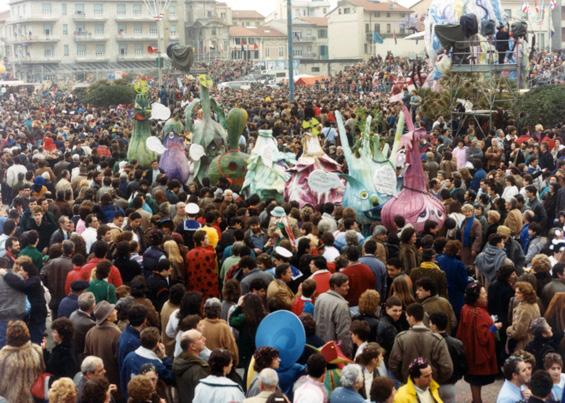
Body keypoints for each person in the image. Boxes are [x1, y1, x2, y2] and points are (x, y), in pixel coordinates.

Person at [388, 303, 453, 384]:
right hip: (430, 386)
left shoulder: (401, 338)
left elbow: (393, 365)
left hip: (408, 385)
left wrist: (404, 379)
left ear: (412, 317)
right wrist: (434, 381)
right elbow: (447, 368)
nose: (407, 319)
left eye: (407, 316)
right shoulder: (437, 339)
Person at [457, 283, 500, 403]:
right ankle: (477, 400)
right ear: (476, 297)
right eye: (483, 294)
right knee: (476, 378)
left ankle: (476, 399)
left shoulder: (465, 308)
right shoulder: (479, 313)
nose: (486, 296)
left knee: (472, 378)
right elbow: (484, 337)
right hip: (478, 352)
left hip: (469, 349)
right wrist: (494, 327)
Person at [0, 257, 47, 344]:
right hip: (27, 315)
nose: (20, 272)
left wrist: (5, 274)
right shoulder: (33, 280)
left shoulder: (34, 281)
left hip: (36, 316)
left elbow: (21, 285)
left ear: (27, 271)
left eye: (22, 270)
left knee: (36, 338)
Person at [0, 320, 44, 403]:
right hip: (33, 397)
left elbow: (2, 384)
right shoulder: (37, 350)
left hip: (11, 399)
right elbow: (41, 372)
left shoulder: (4, 357)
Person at [313, 272, 352, 357]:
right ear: (335, 286)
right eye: (344, 285)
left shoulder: (320, 297)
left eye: (348, 285)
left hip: (320, 348)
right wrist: (346, 355)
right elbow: (343, 334)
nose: (348, 288)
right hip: (334, 353)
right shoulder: (342, 305)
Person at [84, 300, 122, 387]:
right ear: (108, 317)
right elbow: (119, 359)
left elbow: (87, 355)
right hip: (113, 379)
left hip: (95, 378)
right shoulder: (116, 333)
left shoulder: (90, 332)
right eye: (113, 310)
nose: (116, 311)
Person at [173, 329, 210, 403]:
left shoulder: (179, 363)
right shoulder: (199, 369)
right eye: (200, 338)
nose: (204, 339)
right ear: (193, 346)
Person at [436, 240, 469, 317]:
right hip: (456, 297)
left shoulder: (438, 260)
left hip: (441, 295)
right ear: (457, 251)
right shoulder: (459, 264)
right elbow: (463, 283)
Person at [506, 281, 541, 353]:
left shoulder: (525, 309)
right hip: (531, 341)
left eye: (518, 293)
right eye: (515, 292)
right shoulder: (532, 303)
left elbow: (519, 333)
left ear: (525, 294)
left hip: (524, 345)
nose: (515, 295)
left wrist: (508, 329)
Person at [45, 317, 78, 382]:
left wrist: (44, 352)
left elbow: (50, 368)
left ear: (61, 335)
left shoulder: (61, 352)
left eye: (54, 332)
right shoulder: (71, 345)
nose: (52, 334)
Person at [376, 296, 405, 363]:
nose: (398, 313)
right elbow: (396, 349)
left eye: (400, 310)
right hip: (389, 361)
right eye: (395, 310)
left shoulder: (385, 319)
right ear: (387, 309)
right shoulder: (388, 327)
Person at [69, 291, 96, 362]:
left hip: (72, 351)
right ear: (93, 305)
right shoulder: (90, 324)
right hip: (82, 357)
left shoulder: (73, 314)